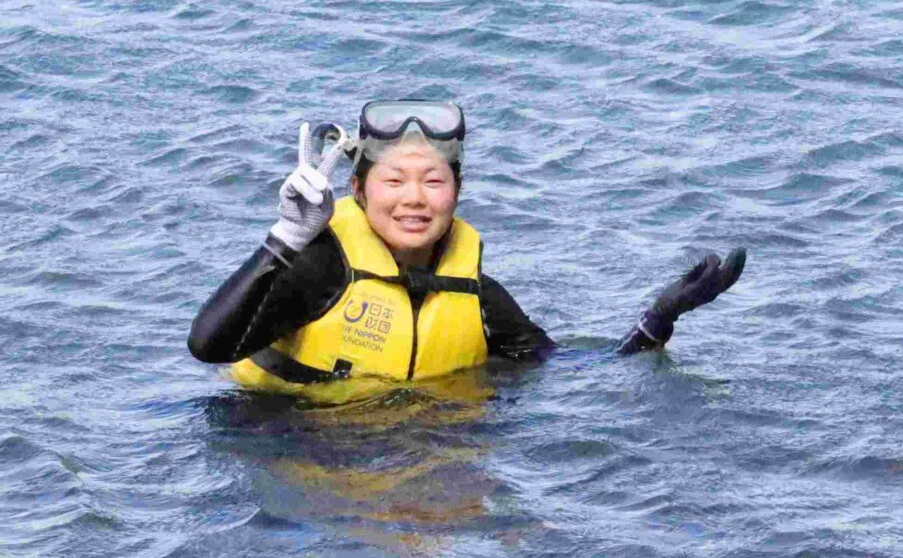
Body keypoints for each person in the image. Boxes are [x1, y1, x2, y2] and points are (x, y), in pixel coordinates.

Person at [190, 101, 745, 396]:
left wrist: (662, 316)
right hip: (281, 453)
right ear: (356, 191)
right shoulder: (318, 267)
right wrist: (285, 240)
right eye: (393, 182)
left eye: (433, 183)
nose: (414, 200)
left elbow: (578, 372)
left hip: (406, 459)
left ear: (457, 192)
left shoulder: (475, 295)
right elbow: (209, 346)